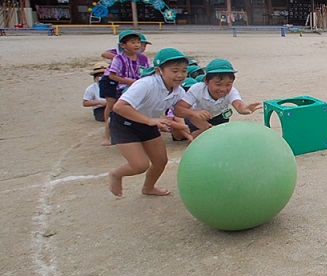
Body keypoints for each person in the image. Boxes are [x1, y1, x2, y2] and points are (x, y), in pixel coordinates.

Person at [107, 48, 193, 197]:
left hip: (148, 124)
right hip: (124, 124)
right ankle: (116, 174)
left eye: (184, 71)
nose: (180, 75)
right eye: (175, 71)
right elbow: (119, 107)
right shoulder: (146, 84)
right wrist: (150, 120)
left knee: (160, 161)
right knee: (140, 165)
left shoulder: (177, 90)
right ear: (159, 71)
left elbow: (180, 110)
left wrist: (196, 117)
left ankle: (148, 188)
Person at [178, 58, 262, 138]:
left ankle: (209, 129)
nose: (223, 89)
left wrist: (245, 109)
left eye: (228, 84)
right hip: (198, 117)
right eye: (218, 84)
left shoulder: (232, 91)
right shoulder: (197, 89)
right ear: (206, 81)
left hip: (219, 116)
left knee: (220, 136)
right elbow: (179, 109)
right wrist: (194, 113)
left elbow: (239, 105)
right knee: (197, 137)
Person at [101, 30, 150, 145]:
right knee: (115, 111)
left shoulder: (143, 58)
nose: (137, 45)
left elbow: (148, 71)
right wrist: (129, 81)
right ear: (123, 45)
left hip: (139, 87)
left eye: (138, 42)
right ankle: (107, 135)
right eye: (133, 42)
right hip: (124, 89)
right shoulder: (119, 58)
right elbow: (113, 75)